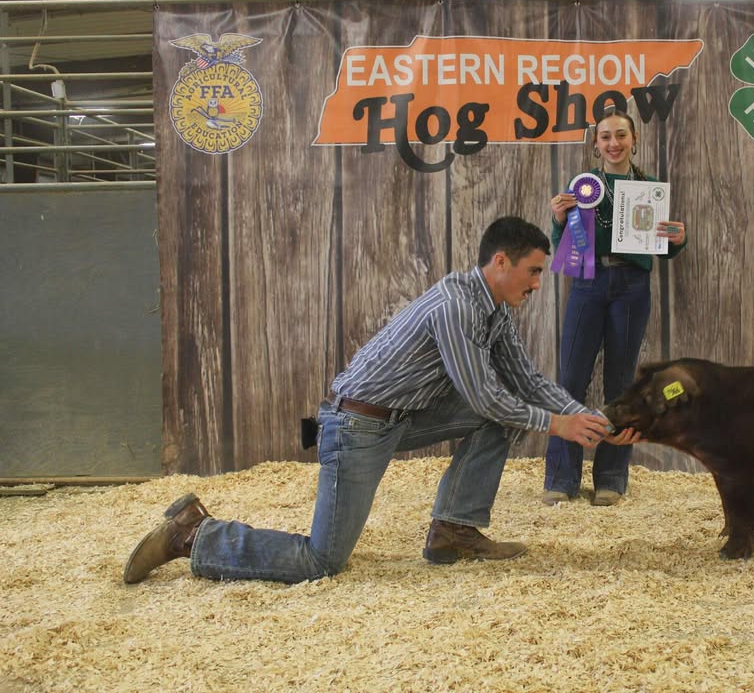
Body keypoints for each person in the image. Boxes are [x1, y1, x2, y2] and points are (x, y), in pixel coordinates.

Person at [124, 216, 636, 584]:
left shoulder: (495, 308)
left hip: (403, 416)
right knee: (320, 561)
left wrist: (582, 416)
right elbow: (483, 393)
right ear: (500, 262)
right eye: (533, 272)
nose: (537, 284)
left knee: (500, 418)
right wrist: (557, 425)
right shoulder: (457, 305)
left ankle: (452, 530)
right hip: (357, 427)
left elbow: (524, 380)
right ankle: (196, 535)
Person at [543, 109, 688, 507]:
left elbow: (666, 249)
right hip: (588, 284)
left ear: (634, 139)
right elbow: (567, 248)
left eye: (620, 135)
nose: (613, 143)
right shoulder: (581, 187)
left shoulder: (652, 188)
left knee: (621, 383)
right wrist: (559, 220)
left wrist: (678, 239)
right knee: (570, 379)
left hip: (632, 287)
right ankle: (560, 478)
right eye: (605, 136)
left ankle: (611, 477)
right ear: (596, 144)